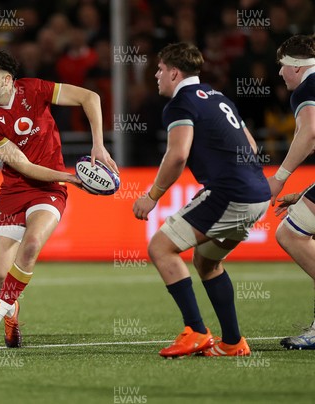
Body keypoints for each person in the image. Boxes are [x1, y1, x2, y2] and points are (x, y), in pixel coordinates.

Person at [132, 42, 271, 358]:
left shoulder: (180, 104)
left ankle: (195, 330)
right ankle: (233, 342)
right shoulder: (217, 96)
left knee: (160, 247)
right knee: (206, 262)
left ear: (174, 72)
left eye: (160, 69)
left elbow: (177, 155)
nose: (156, 75)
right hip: (257, 193)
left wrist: (152, 196)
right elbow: (250, 144)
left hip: (230, 193)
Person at [0, 49, 116, 347]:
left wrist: (98, 146)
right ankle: (11, 314)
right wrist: (73, 178)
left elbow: (90, 97)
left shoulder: (34, 89)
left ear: (8, 79)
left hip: (48, 190)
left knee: (33, 243)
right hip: (14, 191)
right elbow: (23, 166)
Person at [266, 35, 315, 350]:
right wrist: (304, 195)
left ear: (296, 67)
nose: (281, 73)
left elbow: (310, 134)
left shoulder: (308, 89)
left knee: (291, 235)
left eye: (282, 66)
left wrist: (280, 178)